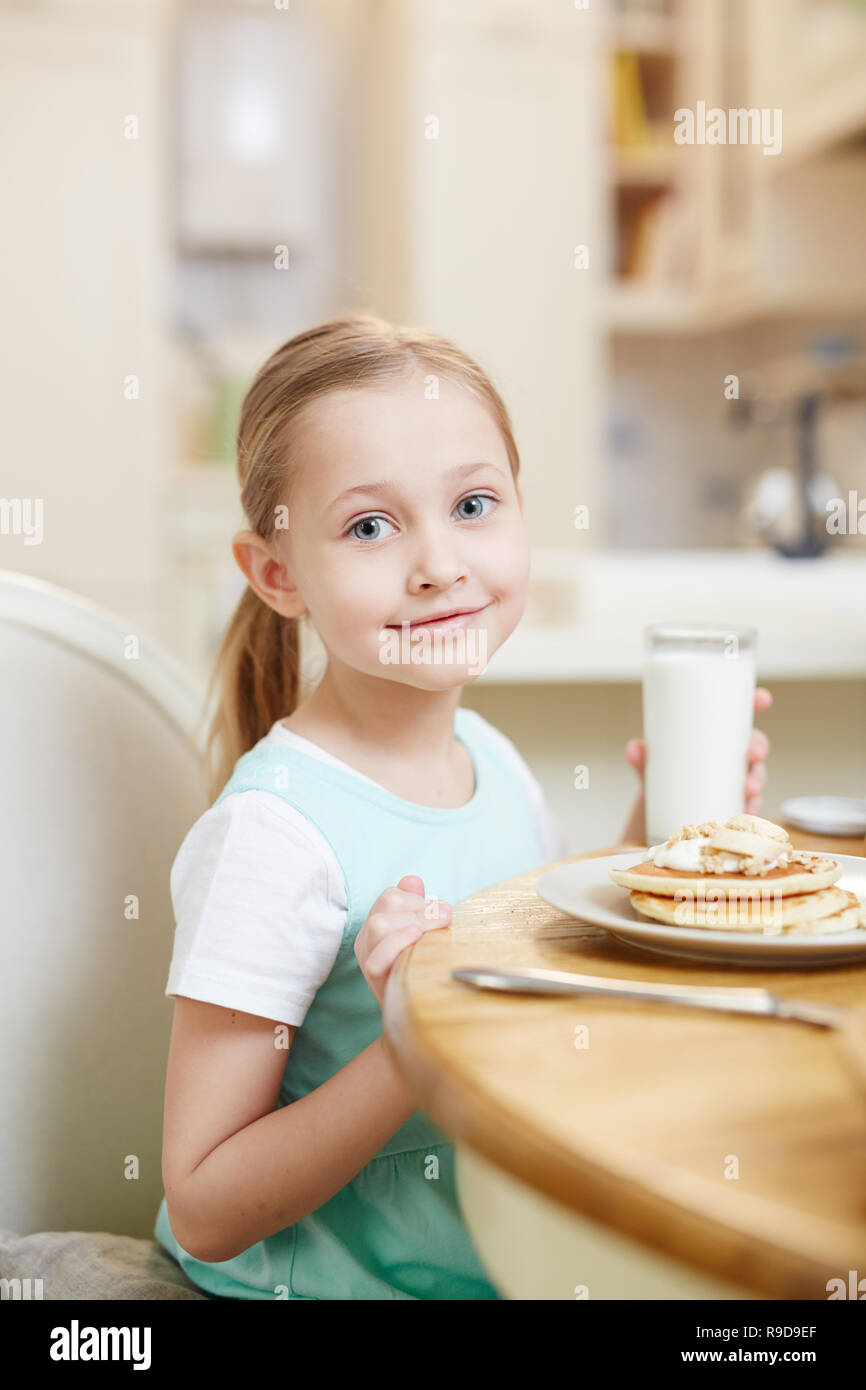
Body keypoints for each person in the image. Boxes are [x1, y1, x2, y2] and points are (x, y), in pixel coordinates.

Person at [153, 313, 771, 1299]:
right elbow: (206, 1204)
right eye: (368, 525)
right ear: (276, 575)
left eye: (474, 504)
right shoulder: (274, 838)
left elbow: (532, 966)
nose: (439, 562)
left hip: (489, 1266)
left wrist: (656, 832)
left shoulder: (491, 761)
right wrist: (414, 1043)